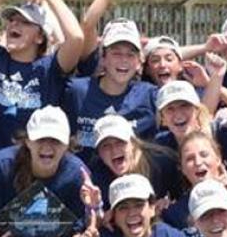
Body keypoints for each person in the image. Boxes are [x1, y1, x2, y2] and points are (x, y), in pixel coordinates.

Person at [0, 0, 86, 149]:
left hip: (34, 166)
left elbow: (76, 37)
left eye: (24, 22)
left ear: (40, 37)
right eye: (12, 20)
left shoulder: (50, 69)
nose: (14, 24)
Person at [0, 106, 91, 237]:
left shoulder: (77, 175)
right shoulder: (1, 167)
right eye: (40, 139)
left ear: (66, 145)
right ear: (27, 141)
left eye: (55, 140)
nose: (47, 146)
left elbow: (78, 232)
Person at [61, 20, 158, 157]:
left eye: (130, 55)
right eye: (116, 53)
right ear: (103, 58)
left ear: (139, 62)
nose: (124, 60)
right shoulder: (77, 91)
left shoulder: (149, 95)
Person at [72, 174, 193, 237]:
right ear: (114, 216)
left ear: (152, 208)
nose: (131, 213)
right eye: (123, 208)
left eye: (139, 205)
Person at [86, 114, 177, 203]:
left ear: (133, 143)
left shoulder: (162, 162)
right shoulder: (97, 175)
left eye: (120, 142)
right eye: (106, 146)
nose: (114, 150)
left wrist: (168, 209)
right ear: (99, 153)